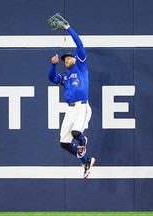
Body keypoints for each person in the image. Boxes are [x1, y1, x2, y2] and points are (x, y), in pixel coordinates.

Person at [48, 23, 95, 178]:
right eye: (64, 59)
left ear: (75, 58)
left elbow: (79, 44)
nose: (66, 60)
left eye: (68, 58)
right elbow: (52, 78)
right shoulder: (65, 76)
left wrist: (68, 28)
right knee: (64, 143)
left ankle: (83, 141)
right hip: (70, 110)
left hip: (82, 107)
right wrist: (54, 65)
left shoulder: (81, 67)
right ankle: (86, 161)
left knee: (76, 133)